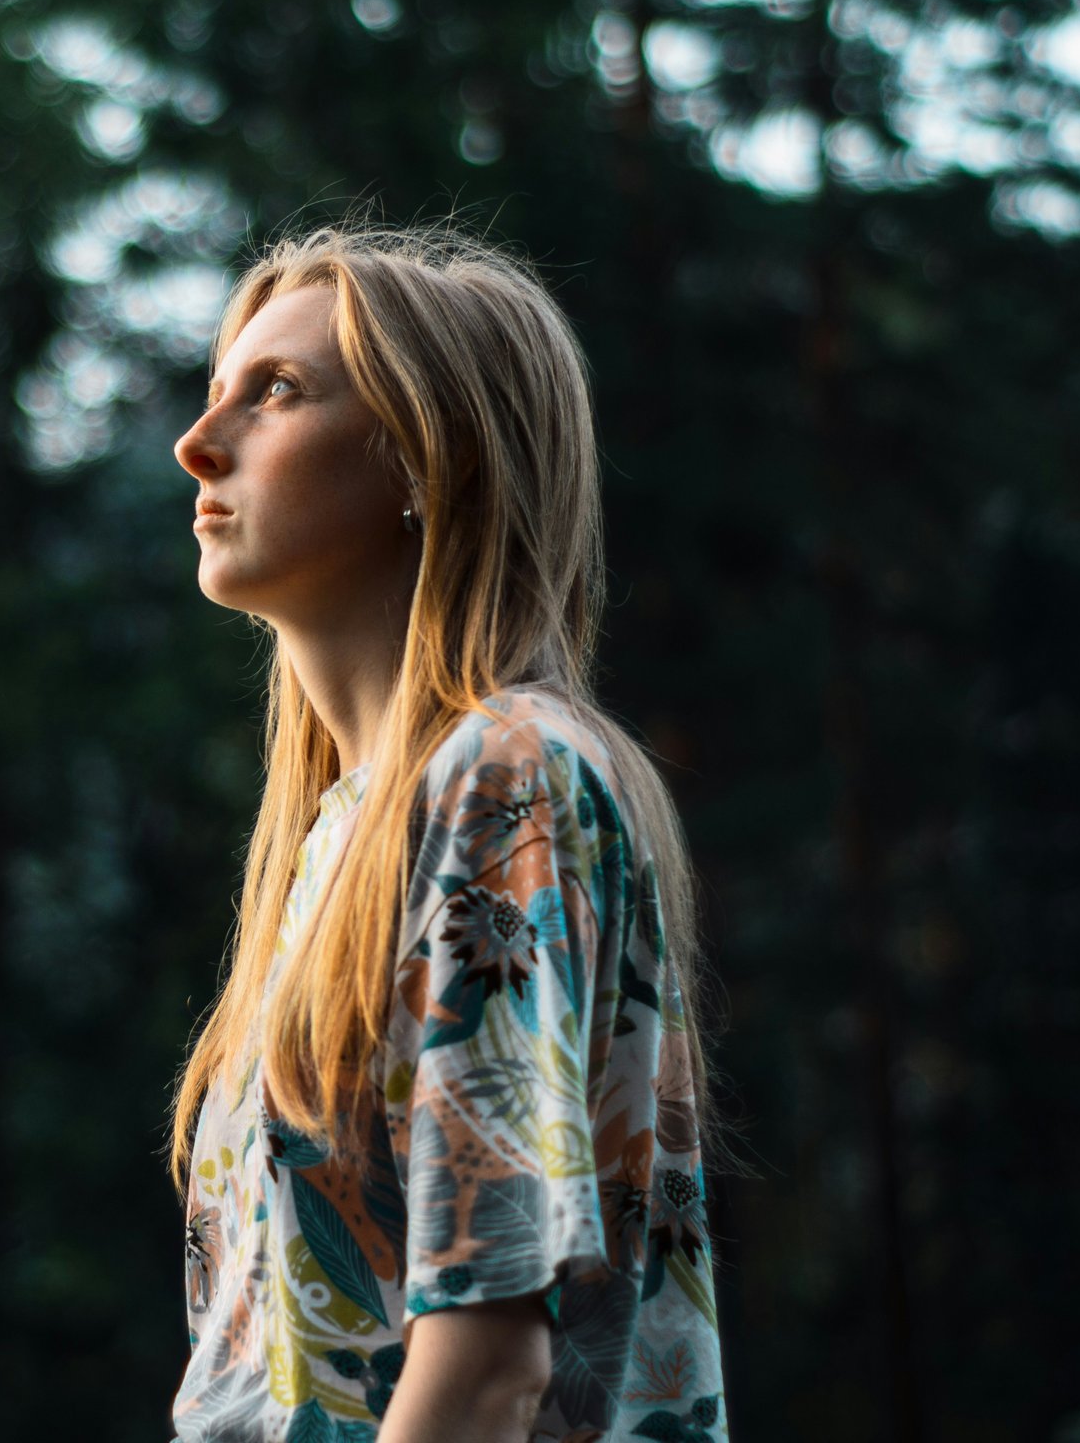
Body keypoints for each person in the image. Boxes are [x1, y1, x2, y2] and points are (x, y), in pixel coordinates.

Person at [166, 224, 729, 1442]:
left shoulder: (505, 773)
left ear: (426, 458)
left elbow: (485, 1366)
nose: (195, 444)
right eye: (218, 394)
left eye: (277, 393)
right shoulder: (344, 836)